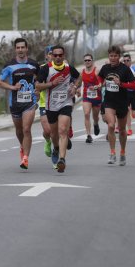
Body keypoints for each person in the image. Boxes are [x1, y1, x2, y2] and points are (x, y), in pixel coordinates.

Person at [35, 45, 80, 173]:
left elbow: (79, 77)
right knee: (53, 134)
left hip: (65, 103)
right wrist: (51, 84)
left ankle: (62, 159)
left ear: (64, 56)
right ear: (52, 56)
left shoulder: (68, 68)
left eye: (61, 55)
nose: (58, 57)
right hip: (50, 105)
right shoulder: (46, 69)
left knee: (62, 131)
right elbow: (37, 85)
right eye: (56, 55)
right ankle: (55, 147)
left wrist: (75, 87)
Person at [0, 38, 40, 169]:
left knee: (26, 129)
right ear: (15, 49)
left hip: (30, 102)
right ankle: (22, 146)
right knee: (19, 130)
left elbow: (39, 81)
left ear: (27, 49)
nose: (20, 50)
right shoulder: (9, 66)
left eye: (23, 47)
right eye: (18, 48)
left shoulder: (34, 65)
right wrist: (13, 87)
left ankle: (25, 158)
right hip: (15, 103)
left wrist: (37, 91)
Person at [96, 45, 135, 166]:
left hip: (122, 103)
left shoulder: (125, 69)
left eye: (115, 56)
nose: (112, 58)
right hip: (109, 102)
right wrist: (100, 83)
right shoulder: (105, 68)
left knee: (123, 130)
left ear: (119, 57)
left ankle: (122, 152)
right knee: (111, 125)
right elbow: (99, 77)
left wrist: (121, 84)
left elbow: (134, 85)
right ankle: (112, 153)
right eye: (110, 56)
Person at [80, 53, 102, 143]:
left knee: (95, 116)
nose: (87, 62)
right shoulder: (82, 71)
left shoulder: (97, 71)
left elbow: (101, 84)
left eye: (89, 60)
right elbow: (79, 82)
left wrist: (95, 87)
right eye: (86, 60)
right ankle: (88, 135)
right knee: (86, 114)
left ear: (92, 61)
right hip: (86, 96)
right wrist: (76, 89)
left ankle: (96, 124)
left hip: (96, 96)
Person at [38, 45, 53, 157]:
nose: (53, 56)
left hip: (59, 103)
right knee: (48, 131)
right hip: (44, 103)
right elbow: (37, 85)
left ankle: (56, 156)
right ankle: (47, 141)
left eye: (56, 54)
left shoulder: (64, 67)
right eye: (50, 54)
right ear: (46, 56)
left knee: (58, 132)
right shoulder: (42, 68)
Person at [122, 53, 135, 136]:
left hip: (134, 92)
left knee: (134, 114)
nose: (126, 62)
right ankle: (129, 129)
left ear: (130, 61)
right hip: (125, 92)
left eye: (127, 60)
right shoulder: (121, 70)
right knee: (127, 110)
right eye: (124, 61)